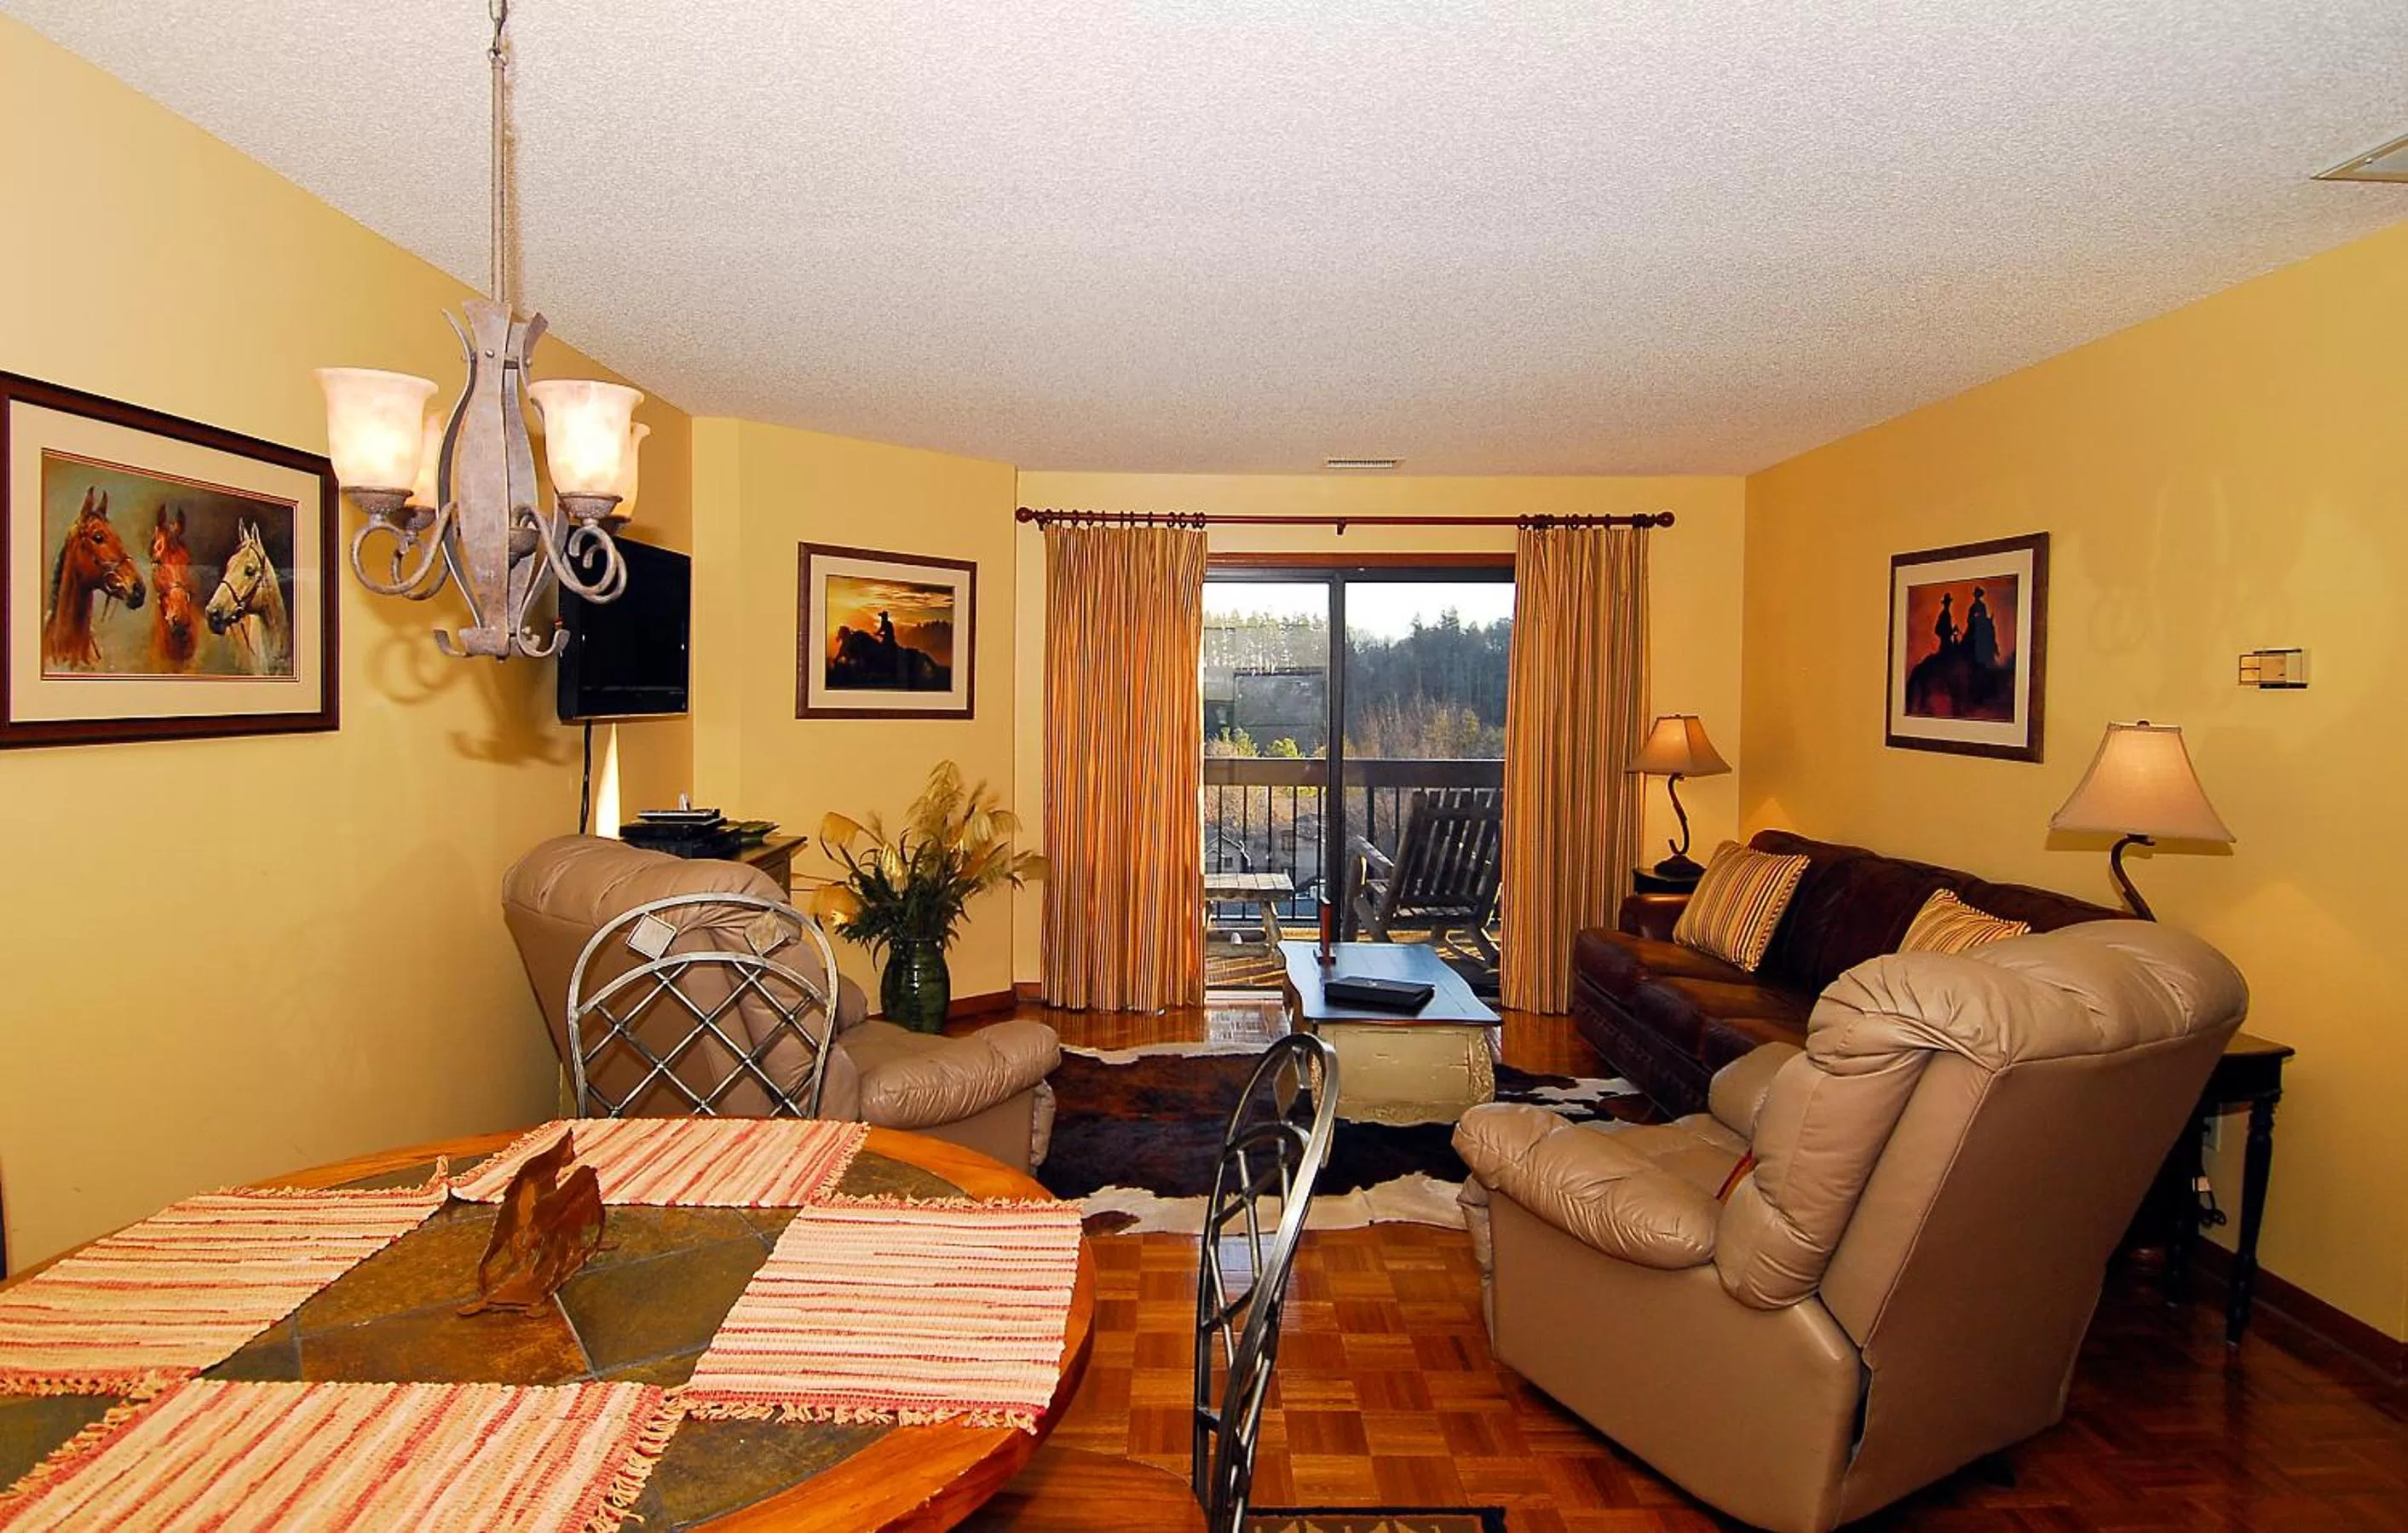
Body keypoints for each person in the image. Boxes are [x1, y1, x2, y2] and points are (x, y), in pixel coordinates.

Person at [1965, 587, 1998, 671]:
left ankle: (1992, 649)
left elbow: (1984, 616)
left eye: (1978, 595)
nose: (1977, 597)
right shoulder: (1972, 607)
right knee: (1967, 640)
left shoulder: (1983, 606)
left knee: (1990, 633)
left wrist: (1982, 619)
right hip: (1974, 628)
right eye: (1976, 595)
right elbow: (1968, 620)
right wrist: (1975, 619)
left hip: (1981, 627)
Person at [1933, 591, 1958, 655]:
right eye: (1947, 603)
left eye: (1949, 602)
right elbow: (1937, 630)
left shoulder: (1946, 614)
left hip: (1946, 642)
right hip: (1946, 643)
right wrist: (1951, 632)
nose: (1948, 604)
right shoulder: (1945, 614)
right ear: (1945, 604)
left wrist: (1952, 631)